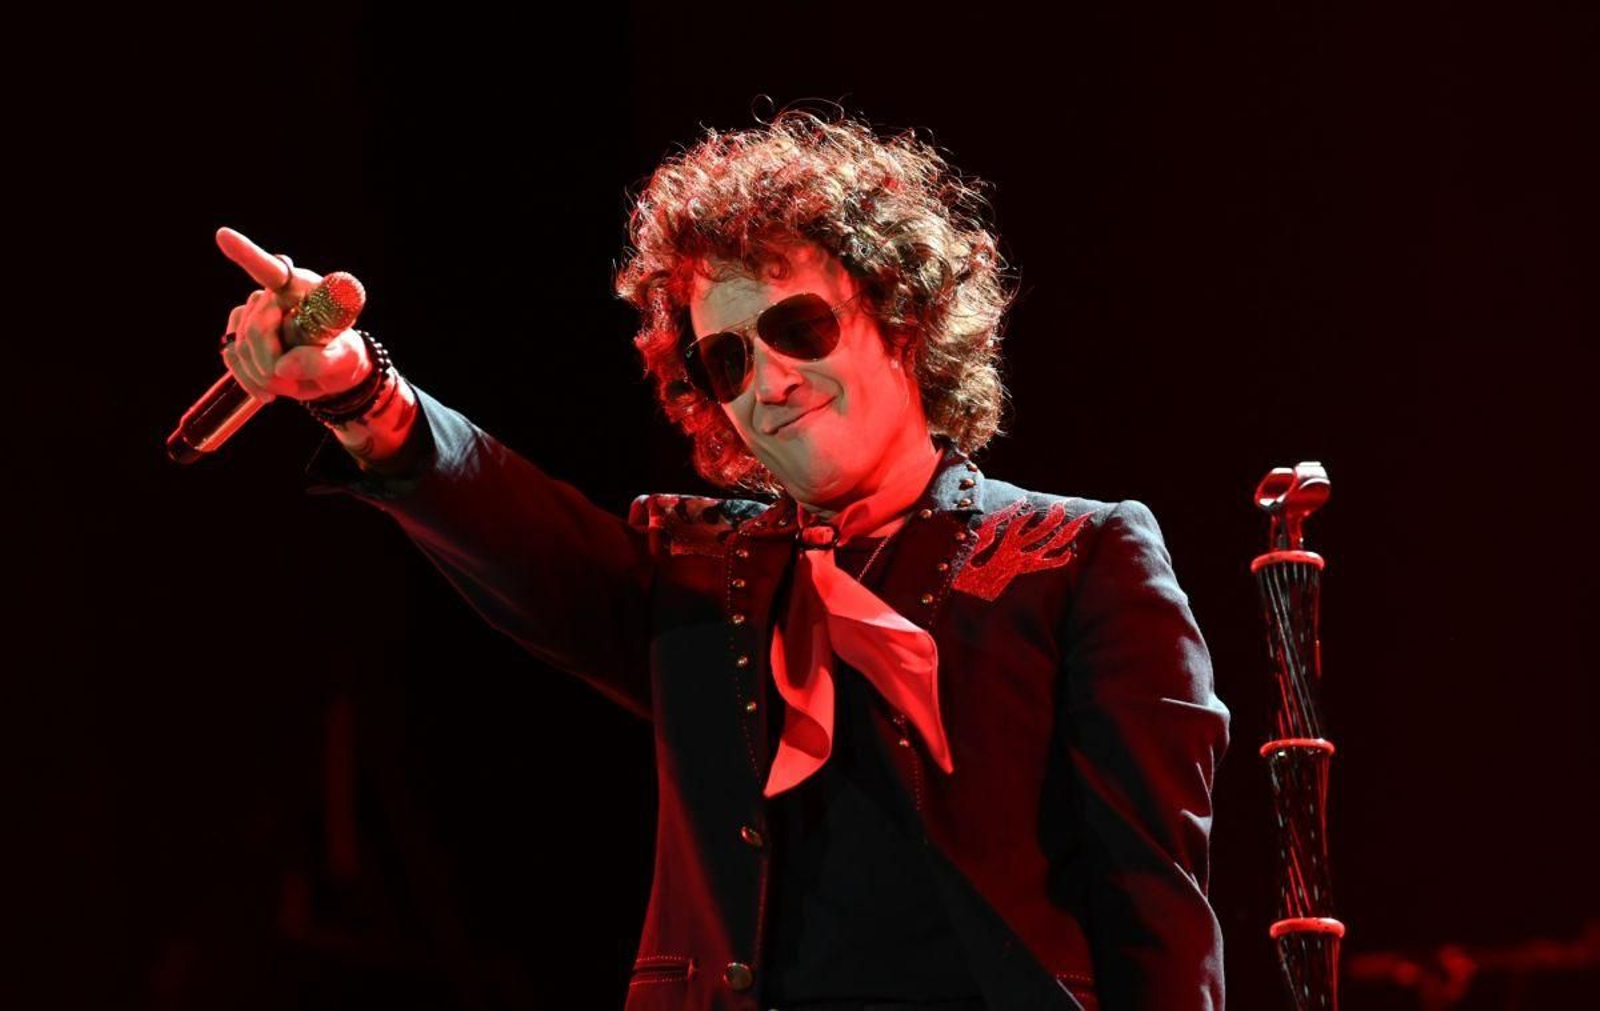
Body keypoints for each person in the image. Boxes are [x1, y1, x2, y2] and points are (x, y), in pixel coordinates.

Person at [217, 109, 1231, 1010]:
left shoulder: (1078, 558)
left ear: (903, 318)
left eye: (799, 326)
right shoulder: (696, 576)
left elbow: (1156, 916)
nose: (769, 380)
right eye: (729, 357)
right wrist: (357, 389)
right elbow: (514, 528)